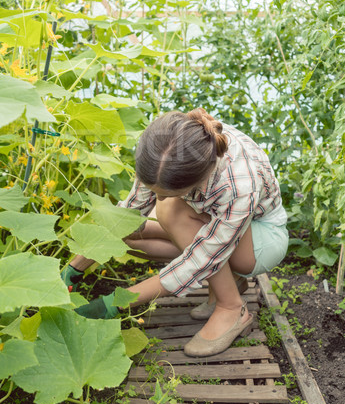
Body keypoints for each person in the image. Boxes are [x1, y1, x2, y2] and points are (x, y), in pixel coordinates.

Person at [65, 108, 288, 357]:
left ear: (199, 180)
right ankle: (228, 283)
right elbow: (128, 214)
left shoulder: (238, 185)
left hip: (261, 237)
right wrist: (76, 266)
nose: (157, 197)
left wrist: (117, 302)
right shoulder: (164, 149)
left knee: (171, 210)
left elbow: (199, 259)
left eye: (167, 191)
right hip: (217, 227)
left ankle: (231, 307)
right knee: (132, 235)